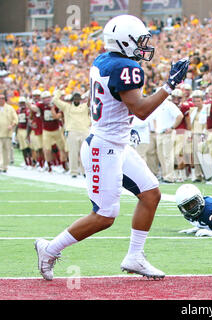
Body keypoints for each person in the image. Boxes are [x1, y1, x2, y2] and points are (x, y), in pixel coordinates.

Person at [34, 14, 190, 281]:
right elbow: (141, 111)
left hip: (117, 143)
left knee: (151, 194)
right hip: (103, 147)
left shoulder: (104, 60)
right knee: (105, 216)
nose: (143, 47)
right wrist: (170, 86)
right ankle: (49, 249)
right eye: (139, 41)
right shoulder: (125, 68)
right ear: (124, 41)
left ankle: (135, 257)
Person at [51, 90, 91, 178]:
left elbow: (91, 100)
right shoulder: (67, 107)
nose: (76, 100)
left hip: (84, 131)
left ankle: (84, 171)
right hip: (72, 131)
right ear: (73, 99)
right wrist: (59, 92)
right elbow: (55, 100)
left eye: (78, 98)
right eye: (75, 98)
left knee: (84, 153)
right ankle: (74, 172)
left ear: (80, 99)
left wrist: (90, 92)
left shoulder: (84, 106)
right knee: (73, 152)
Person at [0, 93, 18, 173]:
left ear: (5, 99)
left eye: (3, 98)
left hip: (7, 133)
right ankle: (0, 165)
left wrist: (12, 125)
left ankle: (5, 166)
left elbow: (15, 119)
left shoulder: (10, 108)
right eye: (0, 98)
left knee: (6, 150)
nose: (1, 100)